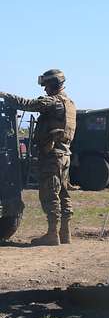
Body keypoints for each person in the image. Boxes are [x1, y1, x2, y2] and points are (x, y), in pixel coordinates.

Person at [0, 69, 76, 246]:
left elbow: (28, 104)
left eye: (46, 85)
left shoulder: (53, 102)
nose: (45, 90)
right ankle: (65, 233)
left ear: (54, 84)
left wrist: (5, 95)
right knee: (63, 193)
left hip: (52, 155)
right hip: (64, 154)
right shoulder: (69, 103)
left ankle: (52, 234)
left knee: (50, 194)